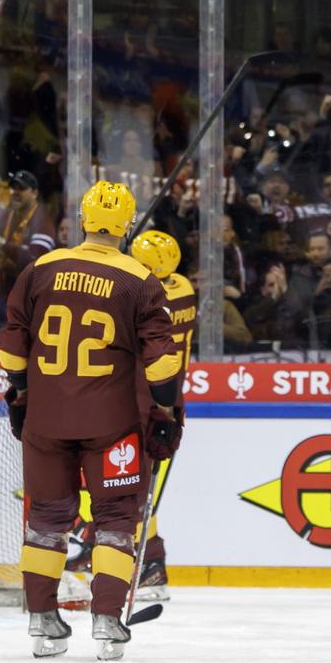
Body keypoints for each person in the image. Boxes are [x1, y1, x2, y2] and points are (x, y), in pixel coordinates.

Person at [0, 181, 179, 661]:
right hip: (111, 423)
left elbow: (12, 344)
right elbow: (162, 364)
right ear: (126, 224)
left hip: (46, 418)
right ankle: (106, 620)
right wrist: (165, 409)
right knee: (117, 519)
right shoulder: (139, 279)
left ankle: (42, 619)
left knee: (46, 519)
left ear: (82, 218)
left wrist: (20, 392)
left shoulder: (41, 269)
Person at [124, 229, 195, 601]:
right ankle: (146, 562)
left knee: (133, 491)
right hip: (169, 398)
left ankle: (150, 565)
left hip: (149, 402)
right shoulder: (182, 286)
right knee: (137, 491)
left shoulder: (147, 296)